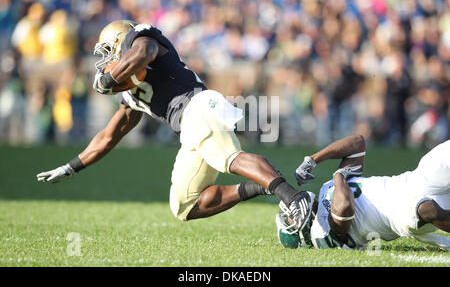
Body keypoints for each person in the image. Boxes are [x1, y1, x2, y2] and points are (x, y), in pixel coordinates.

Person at [36, 20, 312, 228]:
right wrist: (72, 166)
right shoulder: (131, 94)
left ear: (122, 42)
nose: (106, 60)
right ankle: (262, 184)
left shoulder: (141, 38)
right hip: (187, 127)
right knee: (184, 205)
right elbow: (109, 136)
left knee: (228, 159)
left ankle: (294, 197)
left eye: (109, 51)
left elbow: (143, 52)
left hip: (198, 106)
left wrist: (109, 80)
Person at [276, 135, 450, 251]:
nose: (294, 208)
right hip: (398, 214)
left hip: (411, 180)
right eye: (291, 216)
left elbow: (357, 143)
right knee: (428, 210)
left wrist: (313, 159)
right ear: (300, 233)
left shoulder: (325, 189)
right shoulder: (321, 235)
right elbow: (344, 207)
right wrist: (338, 177)